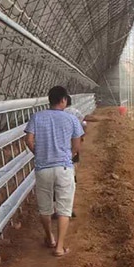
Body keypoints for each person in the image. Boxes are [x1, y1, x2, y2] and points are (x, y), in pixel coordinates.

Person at [24, 86, 84, 257]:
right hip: (64, 167)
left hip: (43, 168)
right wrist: (70, 154)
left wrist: (38, 153)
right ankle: (59, 247)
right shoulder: (71, 119)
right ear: (63, 100)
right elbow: (77, 143)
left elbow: (28, 139)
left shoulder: (37, 117)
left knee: (45, 207)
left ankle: (49, 238)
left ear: (49, 100)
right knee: (64, 208)